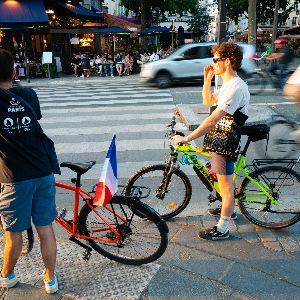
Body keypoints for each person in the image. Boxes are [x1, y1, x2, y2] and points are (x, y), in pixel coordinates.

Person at [173, 42, 250, 241]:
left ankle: (223, 228)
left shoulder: (236, 87)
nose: (213, 63)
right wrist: (207, 80)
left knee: (226, 188)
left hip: (225, 142)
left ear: (228, 60)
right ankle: (228, 208)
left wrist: (187, 138)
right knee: (220, 181)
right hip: (218, 139)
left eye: (216, 60)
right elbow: (208, 102)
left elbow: (213, 119)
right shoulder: (227, 85)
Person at [0, 49, 58, 293]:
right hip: (43, 171)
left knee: (14, 235)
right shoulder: (29, 94)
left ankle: (7, 275)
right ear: (14, 72)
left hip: (15, 179)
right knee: (45, 229)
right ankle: (50, 280)